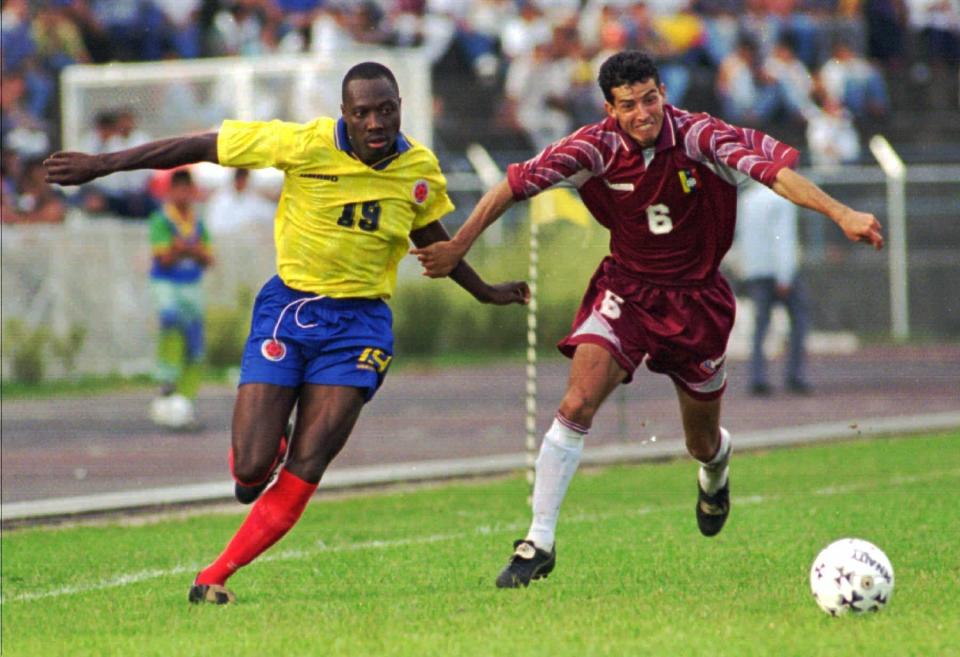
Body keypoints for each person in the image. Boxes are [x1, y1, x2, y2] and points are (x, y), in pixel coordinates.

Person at [44, 61, 529, 604]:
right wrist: (102, 164)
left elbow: (427, 229)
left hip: (360, 327)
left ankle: (214, 576)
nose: (375, 121)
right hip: (289, 310)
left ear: (400, 108)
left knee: (310, 457)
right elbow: (204, 145)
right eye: (362, 111)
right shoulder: (301, 143)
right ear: (343, 112)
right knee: (249, 477)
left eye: (385, 109)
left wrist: (484, 289)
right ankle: (269, 432)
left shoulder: (418, 169)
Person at [411, 50, 883, 588]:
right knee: (576, 402)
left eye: (651, 99)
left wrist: (842, 213)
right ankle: (537, 540)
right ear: (610, 108)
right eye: (629, 105)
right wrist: (457, 246)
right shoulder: (592, 147)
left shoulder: (701, 137)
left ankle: (716, 469)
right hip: (627, 289)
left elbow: (775, 174)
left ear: (664, 92)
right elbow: (511, 186)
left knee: (700, 441)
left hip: (697, 302)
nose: (643, 113)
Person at [146, 168, 213, 429]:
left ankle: (185, 399)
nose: (184, 194)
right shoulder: (161, 219)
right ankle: (167, 381)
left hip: (191, 285)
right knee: (170, 319)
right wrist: (191, 250)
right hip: (167, 283)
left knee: (195, 342)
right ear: (170, 191)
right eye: (179, 188)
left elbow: (208, 258)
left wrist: (181, 248)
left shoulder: (198, 222)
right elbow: (163, 257)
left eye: (188, 188)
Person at [736, 180, 810, 396]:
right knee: (799, 321)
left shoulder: (746, 199)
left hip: (755, 269)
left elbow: (741, 235)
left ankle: (757, 377)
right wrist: (785, 275)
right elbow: (784, 238)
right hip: (778, 270)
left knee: (760, 327)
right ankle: (794, 375)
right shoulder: (782, 198)